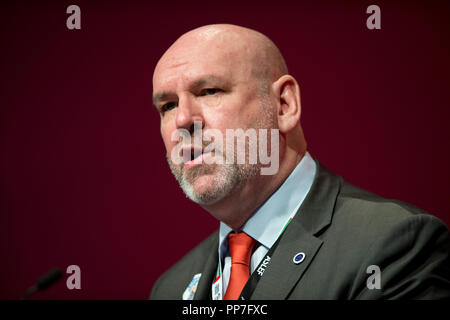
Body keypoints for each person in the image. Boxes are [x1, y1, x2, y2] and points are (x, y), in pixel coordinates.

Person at [150, 24, 450, 300]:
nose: (183, 119)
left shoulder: (393, 247)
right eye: (168, 105)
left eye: (209, 91)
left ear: (284, 104)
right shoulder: (170, 288)